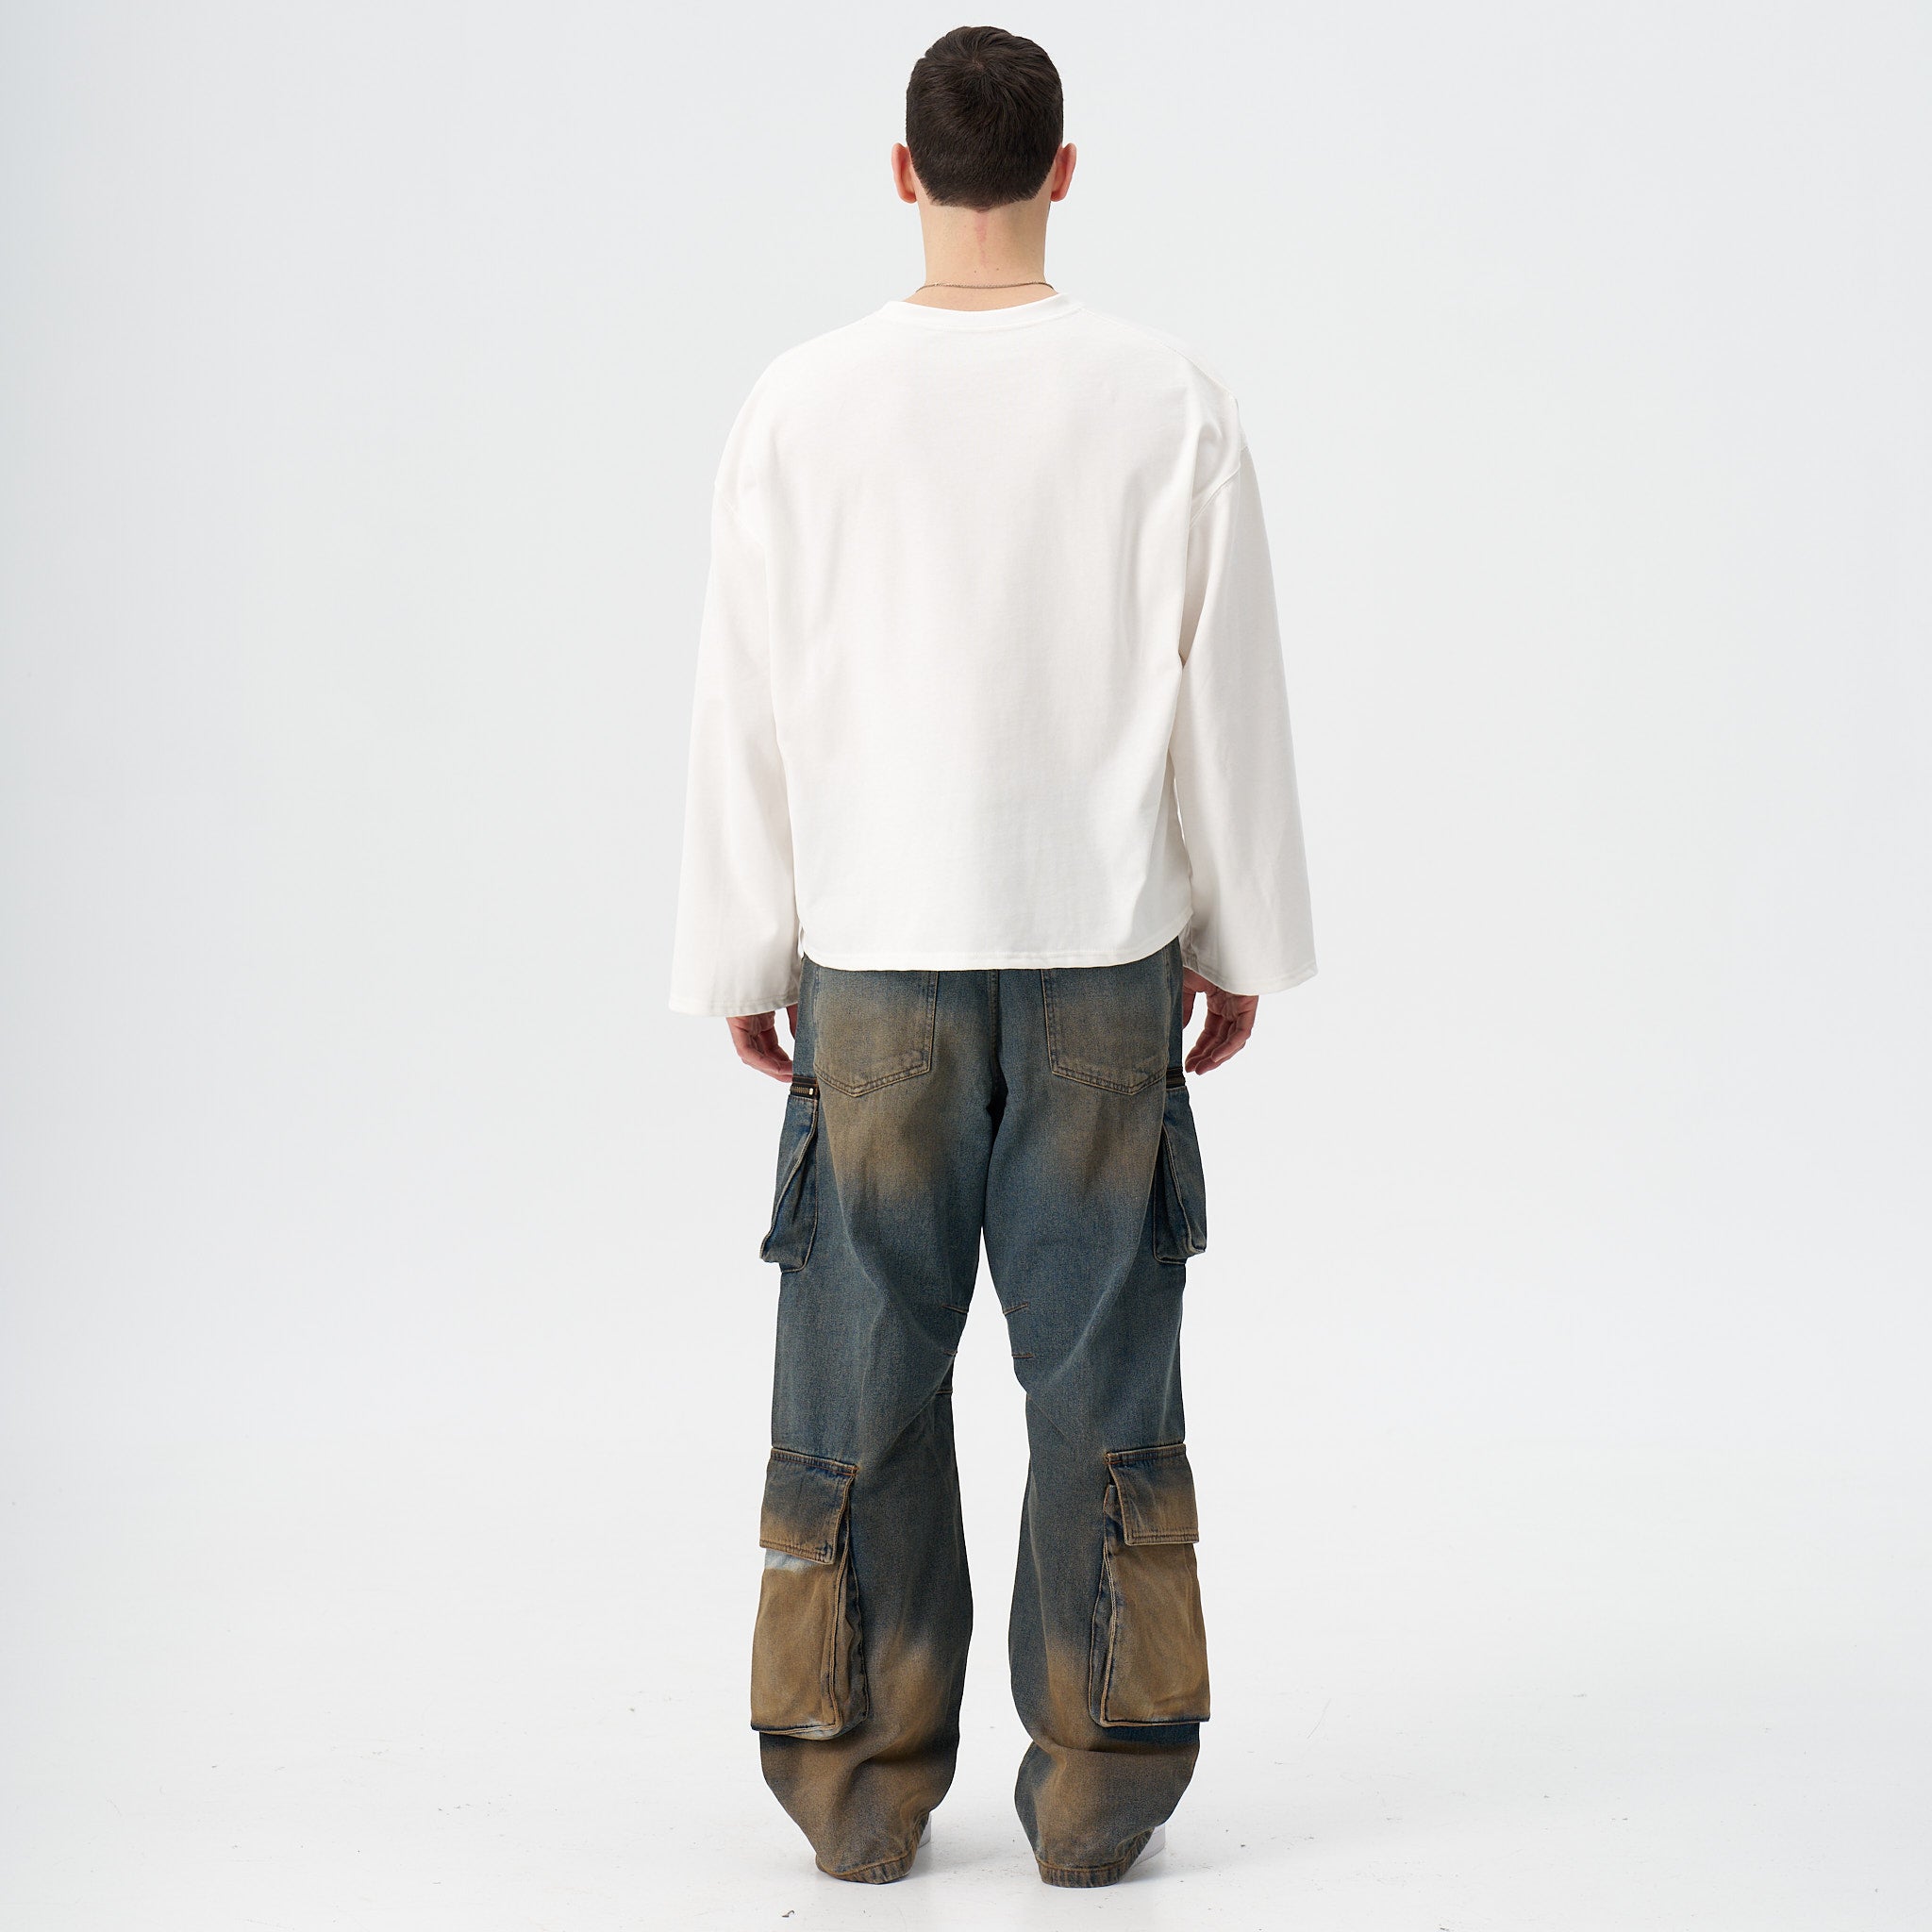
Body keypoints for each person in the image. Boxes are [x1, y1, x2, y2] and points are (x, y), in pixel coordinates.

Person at [669, 24, 1315, 1890]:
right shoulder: (1166, 397)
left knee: (859, 1376)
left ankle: (857, 1789)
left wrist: (745, 942)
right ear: (1062, 168)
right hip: (1103, 954)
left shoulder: (800, 403)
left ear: (903, 173)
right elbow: (1224, 694)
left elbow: (747, 697)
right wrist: (1238, 929)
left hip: (875, 955)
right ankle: (1103, 1791)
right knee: (1104, 1374)